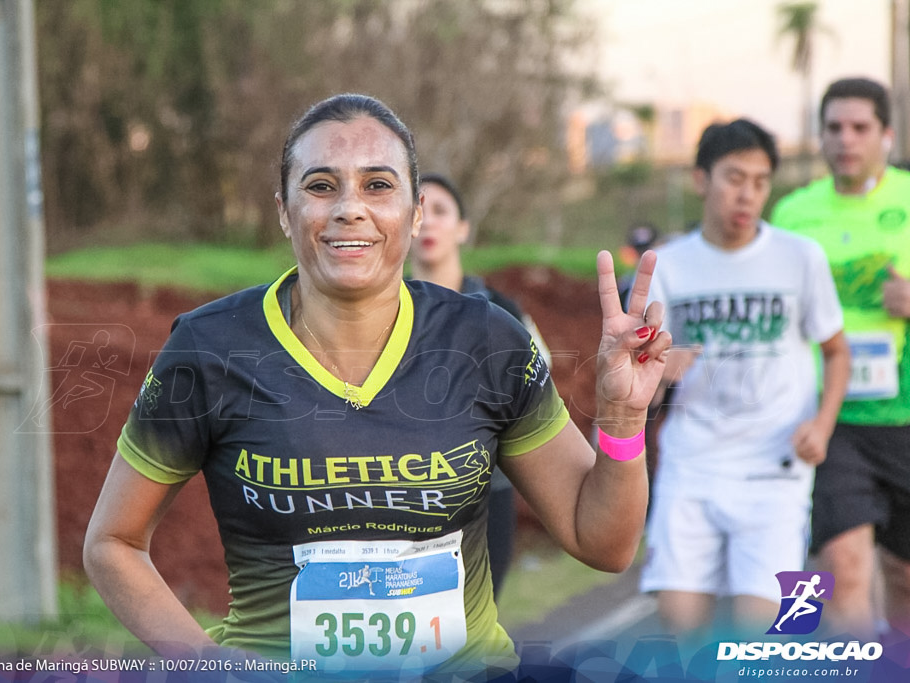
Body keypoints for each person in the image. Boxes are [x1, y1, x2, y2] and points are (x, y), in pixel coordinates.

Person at [83, 93, 671, 681]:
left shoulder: (486, 341)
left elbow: (605, 544)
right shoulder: (210, 351)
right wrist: (207, 665)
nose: (349, 209)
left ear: (416, 213)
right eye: (320, 186)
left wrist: (621, 417)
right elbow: (113, 542)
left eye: (377, 185)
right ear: (285, 211)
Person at [638, 118, 850, 639]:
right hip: (692, 465)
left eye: (760, 181)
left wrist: (822, 426)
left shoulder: (800, 257)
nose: (747, 193)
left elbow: (837, 352)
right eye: (735, 177)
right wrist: (661, 372)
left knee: (763, 638)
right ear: (700, 179)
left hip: (776, 470)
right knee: (678, 633)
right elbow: (640, 383)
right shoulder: (665, 265)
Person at [771, 77, 910, 640]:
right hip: (832, 419)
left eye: (860, 127)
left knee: (903, 576)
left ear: (887, 134)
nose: (846, 140)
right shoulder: (792, 213)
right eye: (834, 128)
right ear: (820, 137)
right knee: (844, 571)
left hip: (904, 416)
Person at [407, 171, 545, 599]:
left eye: (442, 211)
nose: (429, 223)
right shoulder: (375, 311)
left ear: (463, 228)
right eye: (419, 212)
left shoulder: (500, 313)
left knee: (476, 635)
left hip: (486, 497)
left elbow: (538, 389)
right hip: (401, 497)